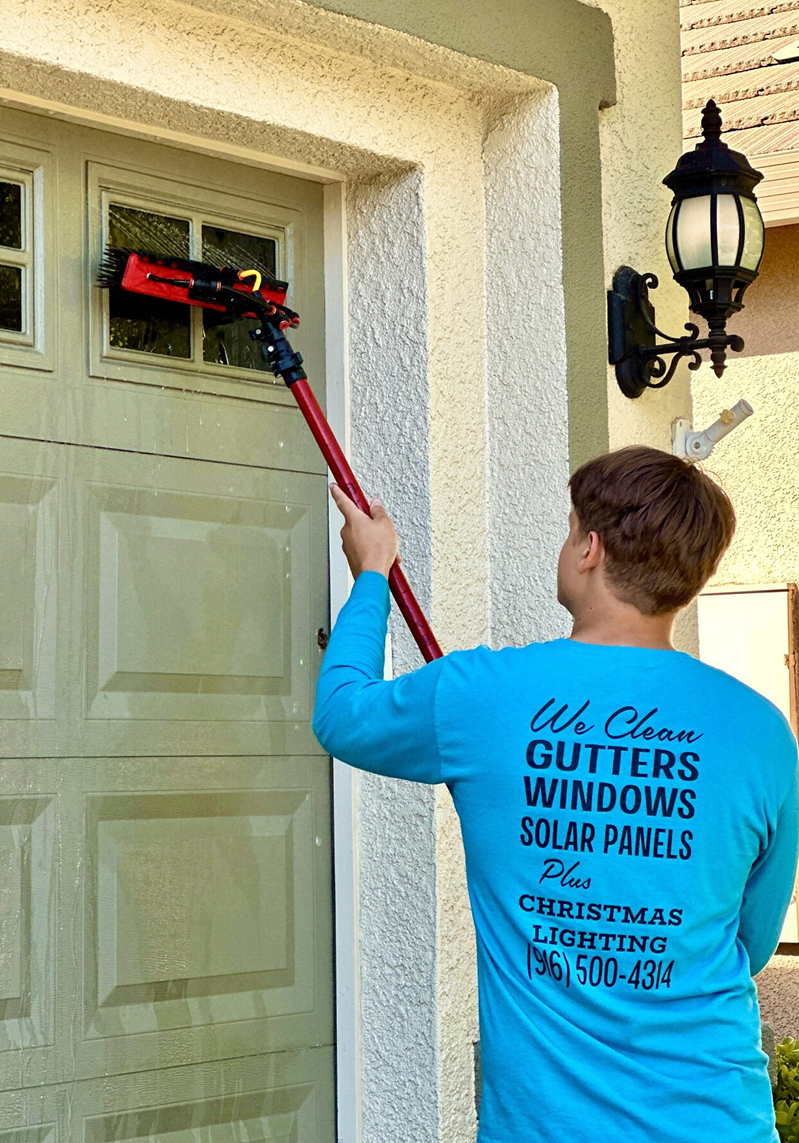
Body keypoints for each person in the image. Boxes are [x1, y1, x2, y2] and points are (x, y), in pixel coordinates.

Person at [313, 445, 799, 1143]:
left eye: (570, 527)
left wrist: (371, 574)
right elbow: (748, 946)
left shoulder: (481, 697)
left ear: (589, 549)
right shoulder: (760, 730)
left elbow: (343, 713)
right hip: (718, 1119)